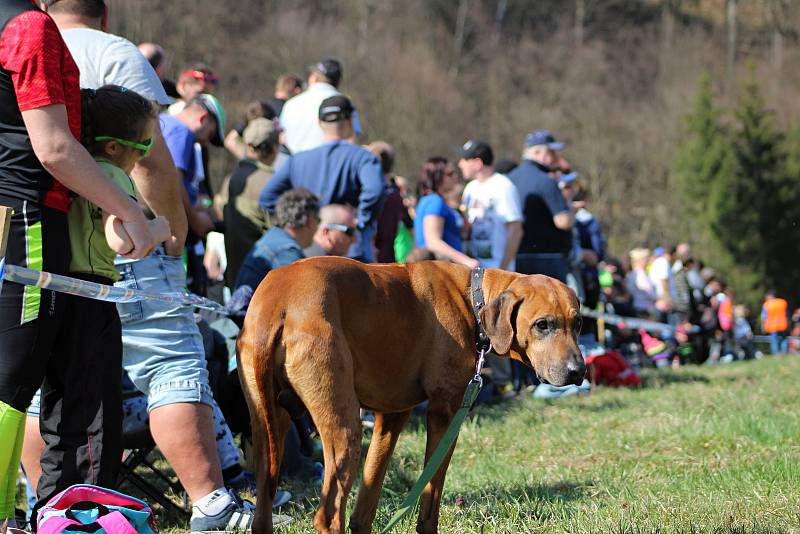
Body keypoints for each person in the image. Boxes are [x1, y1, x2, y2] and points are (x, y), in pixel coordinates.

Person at [31, 2, 282, 531]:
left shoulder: (20, 47)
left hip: (41, 245)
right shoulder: (115, 53)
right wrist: (170, 234)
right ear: (101, 14)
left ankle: (50, 510)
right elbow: (152, 161)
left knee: (44, 381)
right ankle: (211, 503)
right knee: (168, 364)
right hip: (128, 240)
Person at [0, 1, 156, 527]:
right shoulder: (27, 25)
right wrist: (132, 212)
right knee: (13, 382)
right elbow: (54, 146)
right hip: (25, 218)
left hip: (18, 216)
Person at [260, 95, 384, 262]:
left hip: (310, 248)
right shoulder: (363, 158)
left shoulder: (297, 160)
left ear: (319, 123)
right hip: (349, 250)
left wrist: (297, 222)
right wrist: (361, 221)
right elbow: (375, 189)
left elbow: (267, 197)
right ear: (350, 121)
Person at [229, 189, 320, 320]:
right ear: (310, 220)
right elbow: (306, 305)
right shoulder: (287, 252)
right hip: (249, 328)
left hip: (244, 324)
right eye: (318, 219)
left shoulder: (275, 237)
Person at [218, 117, 280, 289]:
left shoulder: (230, 180)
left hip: (235, 279)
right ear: (274, 149)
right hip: (266, 283)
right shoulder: (274, 184)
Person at [508, 130, 574, 282]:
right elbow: (563, 221)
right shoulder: (546, 181)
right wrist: (572, 211)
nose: (555, 158)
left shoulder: (509, 179)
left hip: (517, 256)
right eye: (551, 152)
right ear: (537, 152)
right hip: (548, 259)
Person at [458, 140, 523, 271]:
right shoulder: (470, 188)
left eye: (465, 159)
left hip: (498, 272)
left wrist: (502, 270)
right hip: (474, 271)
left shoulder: (504, 187)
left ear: (478, 163)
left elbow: (516, 230)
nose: (460, 164)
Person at [279, 58, 361, 154]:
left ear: (314, 77)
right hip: (331, 165)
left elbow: (281, 139)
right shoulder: (344, 103)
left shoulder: (290, 104)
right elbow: (352, 140)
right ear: (338, 81)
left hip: (295, 164)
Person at [413, 157, 478, 268]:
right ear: (437, 176)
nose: (455, 176)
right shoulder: (435, 201)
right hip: (441, 270)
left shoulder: (430, 199)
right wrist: (466, 260)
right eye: (450, 173)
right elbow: (433, 241)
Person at [367, 141, 412, 263]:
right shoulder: (394, 194)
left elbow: (382, 234)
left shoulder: (384, 195)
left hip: (377, 261)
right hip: (387, 259)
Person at [761, 290, 789, 355]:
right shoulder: (782, 302)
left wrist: (763, 326)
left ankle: (776, 354)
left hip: (772, 325)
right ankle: (784, 353)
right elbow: (787, 314)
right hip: (783, 324)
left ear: (769, 296)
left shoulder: (767, 304)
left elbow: (764, 317)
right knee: (784, 339)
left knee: (774, 341)